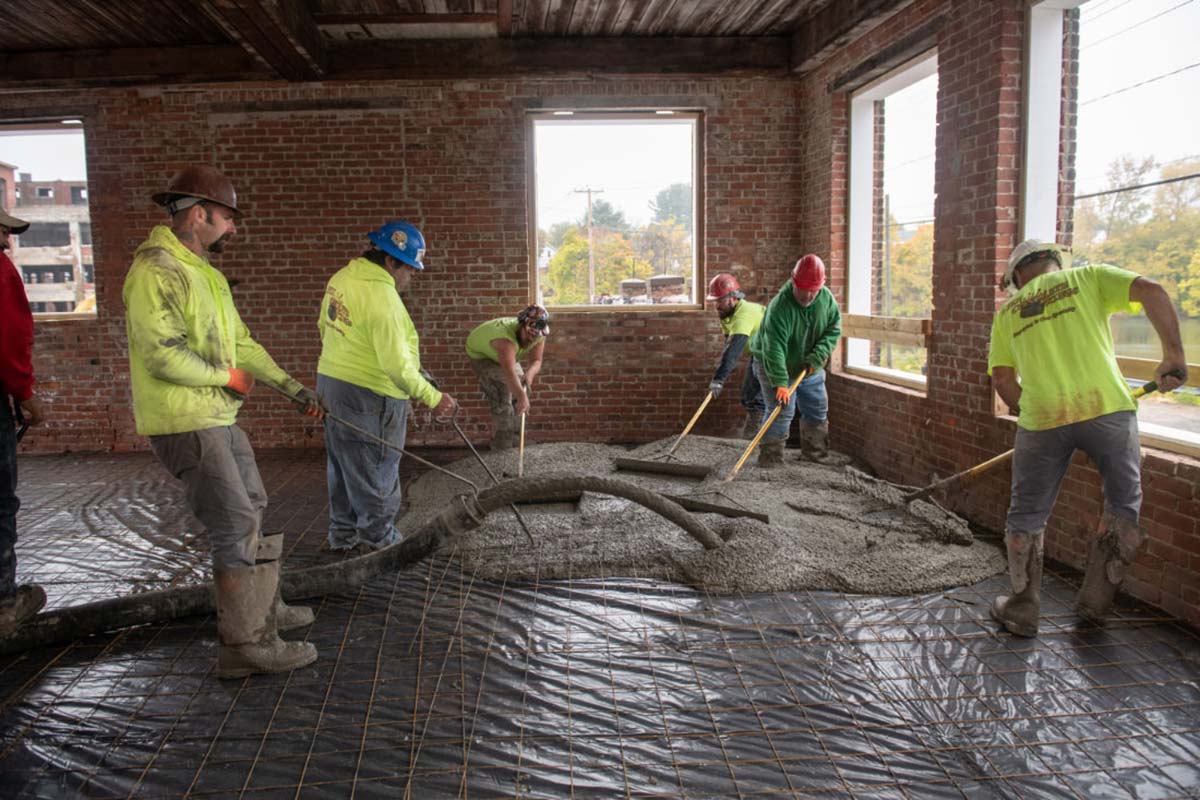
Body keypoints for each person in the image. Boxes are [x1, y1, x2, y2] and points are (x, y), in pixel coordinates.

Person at [123, 166, 325, 678]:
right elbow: (161, 356)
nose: (232, 229)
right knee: (233, 522)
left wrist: (293, 389)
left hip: (216, 414)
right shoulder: (157, 271)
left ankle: (265, 609)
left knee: (254, 504)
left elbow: (244, 344)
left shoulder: (205, 273)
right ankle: (244, 644)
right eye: (227, 219)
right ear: (199, 213)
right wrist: (228, 377)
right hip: (185, 419)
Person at [987, 239, 1187, 637]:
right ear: (1054, 262)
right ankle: (1095, 605)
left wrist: (1033, 415)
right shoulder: (1090, 277)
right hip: (1108, 409)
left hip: (1042, 418)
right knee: (1122, 505)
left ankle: (1023, 611)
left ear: (1018, 276)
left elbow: (1004, 381)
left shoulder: (1009, 312)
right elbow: (1151, 290)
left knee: (1027, 513)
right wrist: (1174, 356)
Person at [317, 221, 457, 554]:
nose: (411, 276)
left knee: (344, 465)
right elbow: (394, 367)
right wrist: (434, 398)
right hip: (371, 395)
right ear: (391, 261)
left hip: (331, 385)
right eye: (408, 268)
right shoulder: (383, 297)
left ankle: (342, 536)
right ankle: (382, 544)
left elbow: (325, 325)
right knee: (376, 469)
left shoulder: (342, 278)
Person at [0, 207, 47, 637]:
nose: (8, 241)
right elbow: (10, 336)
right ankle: (3, 604)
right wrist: (25, 394)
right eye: (3, 231)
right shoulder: (0, 271)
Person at [749, 254, 842, 466]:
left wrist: (818, 356)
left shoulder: (826, 300)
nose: (808, 295)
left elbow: (833, 330)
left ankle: (815, 455)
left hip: (810, 365)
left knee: (817, 406)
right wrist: (781, 382)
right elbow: (774, 348)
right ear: (793, 281)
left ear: (822, 285)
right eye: (803, 289)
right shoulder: (780, 307)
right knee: (781, 410)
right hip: (773, 365)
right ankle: (770, 459)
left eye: (813, 290)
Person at [465, 305, 548, 450]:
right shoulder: (505, 340)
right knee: (503, 393)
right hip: (483, 356)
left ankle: (516, 441)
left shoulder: (539, 334)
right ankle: (501, 445)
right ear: (522, 326)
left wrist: (528, 376)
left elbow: (537, 360)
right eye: (528, 335)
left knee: (523, 389)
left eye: (535, 337)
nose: (531, 340)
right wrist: (521, 397)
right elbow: (509, 372)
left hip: (507, 357)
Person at [705, 273, 766, 439]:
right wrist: (720, 375)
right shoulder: (727, 314)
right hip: (759, 353)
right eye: (715, 301)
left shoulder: (744, 314)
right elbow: (728, 345)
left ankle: (753, 439)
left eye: (720, 300)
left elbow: (734, 349)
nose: (717, 305)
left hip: (774, 354)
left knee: (755, 397)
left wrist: (719, 379)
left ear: (734, 298)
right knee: (749, 395)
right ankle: (753, 437)